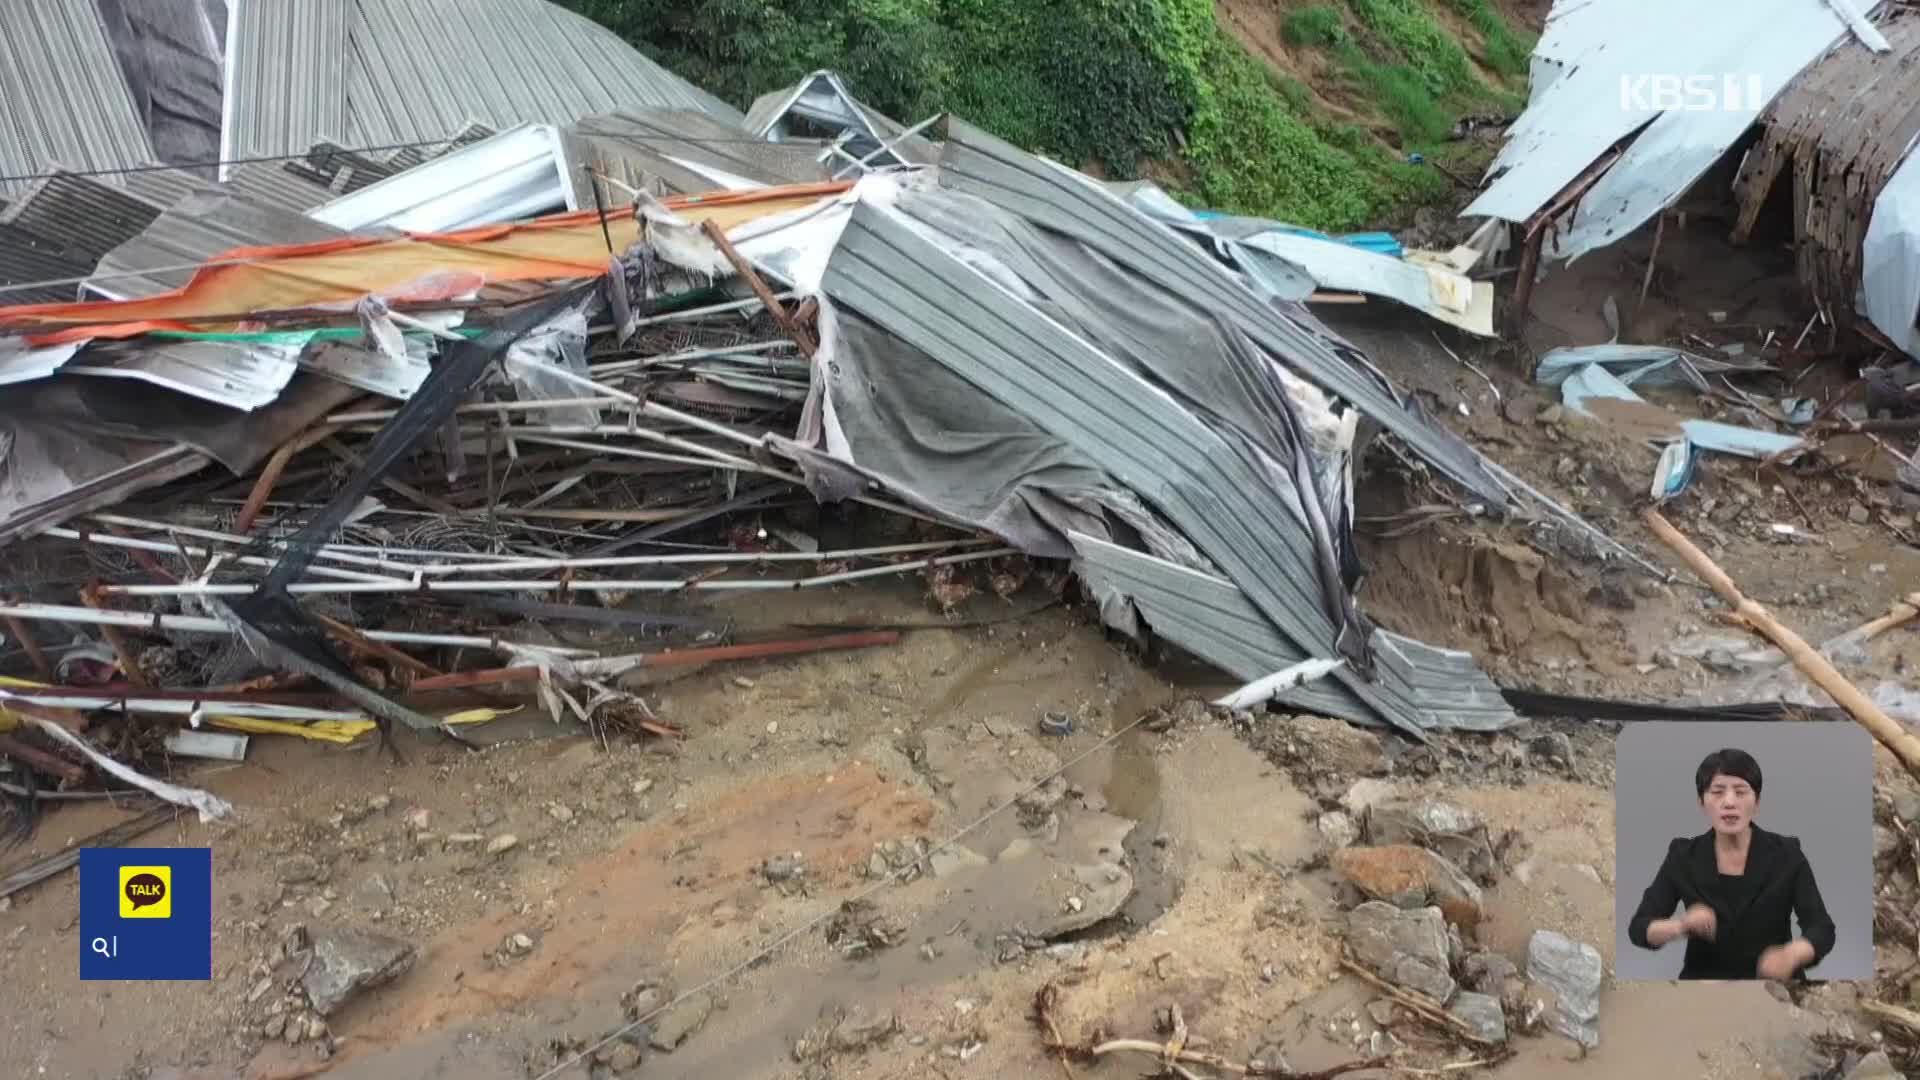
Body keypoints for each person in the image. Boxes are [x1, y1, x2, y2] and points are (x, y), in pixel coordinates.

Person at [1627, 747, 1836, 980]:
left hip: (1776, 990)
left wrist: (1792, 954)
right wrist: (1680, 925)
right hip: (1705, 990)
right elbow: (1639, 928)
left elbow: (1822, 928)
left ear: (1757, 802)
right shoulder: (1682, 856)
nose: (1729, 802)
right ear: (1701, 802)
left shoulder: (1787, 854)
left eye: (1740, 791)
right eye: (1717, 792)